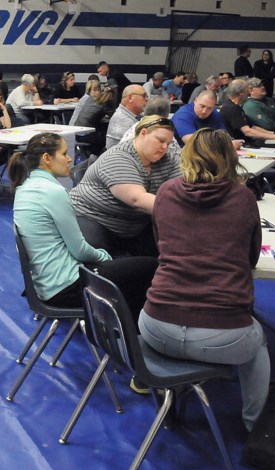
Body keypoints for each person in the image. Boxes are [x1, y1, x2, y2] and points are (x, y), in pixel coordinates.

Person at [139, 128, 269, 432]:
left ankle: (170, 404)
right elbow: (250, 259)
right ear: (229, 159)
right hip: (224, 337)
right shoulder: (243, 197)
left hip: (157, 326)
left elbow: (161, 246)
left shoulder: (166, 193)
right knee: (259, 341)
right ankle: (255, 426)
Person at [10, 131, 157, 335]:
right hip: (66, 287)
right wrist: (105, 257)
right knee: (152, 267)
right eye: (64, 153)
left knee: (130, 266)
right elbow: (79, 250)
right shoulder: (53, 192)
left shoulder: (25, 187)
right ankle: (133, 339)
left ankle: (128, 333)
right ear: (47, 158)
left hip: (47, 285)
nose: (70, 158)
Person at [70, 115, 180, 257]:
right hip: (93, 219)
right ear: (143, 133)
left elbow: (183, 188)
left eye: (169, 143)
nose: (165, 147)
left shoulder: (166, 160)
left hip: (133, 226)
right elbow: (137, 200)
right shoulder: (118, 157)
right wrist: (182, 208)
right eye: (160, 141)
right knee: (104, 262)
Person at [219, 79, 275, 146]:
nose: (249, 93)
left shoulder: (236, 107)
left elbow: (253, 127)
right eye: (247, 90)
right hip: (241, 145)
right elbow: (247, 131)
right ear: (241, 93)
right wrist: (273, 137)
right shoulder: (230, 108)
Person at [73, 85, 116, 156]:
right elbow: (114, 116)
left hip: (77, 131)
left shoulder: (90, 99)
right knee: (105, 139)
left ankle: (90, 154)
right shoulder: (105, 105)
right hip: (85, 135)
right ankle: (98, 157)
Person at [105, 84, 147, 150]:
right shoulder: (122, 120)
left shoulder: (135, 116)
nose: (147, 99)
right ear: (130, 97)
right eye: (143, 96)